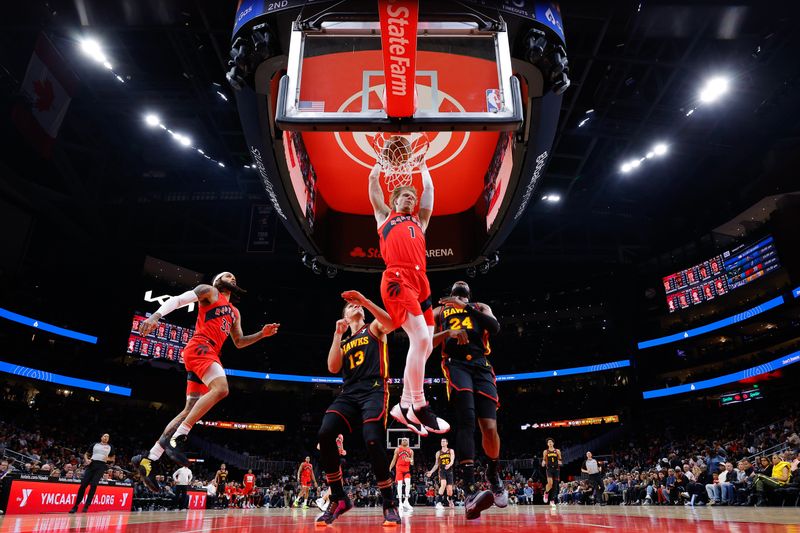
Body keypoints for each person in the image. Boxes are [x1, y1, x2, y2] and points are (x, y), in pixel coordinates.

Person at [134, 272, 279, 488]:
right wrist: (156, 315)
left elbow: (239, 342)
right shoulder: (209, 292)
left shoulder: (235, 312)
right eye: (227, 275)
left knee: (189, 409)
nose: (232, 277)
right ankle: (180, 437)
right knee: (221, 389)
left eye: (234, 277)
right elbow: (179, 299)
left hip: (206, 353)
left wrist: (261, 334)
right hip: (201, 346)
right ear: (217, 281)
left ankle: (149, 459)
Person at [368, 152, 448, 436]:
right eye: (405, 197)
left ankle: (401, 406)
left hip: (421, 281)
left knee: (425, 347)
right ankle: (419, 405)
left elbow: (430, 191)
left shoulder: (420, 222)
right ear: (394, 201)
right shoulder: (384, 217)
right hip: (397, 277)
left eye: (412, 198)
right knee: (422, 338)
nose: (411, 200)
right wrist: (382, 160)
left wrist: (423, 166)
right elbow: (373, 181)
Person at [315, 291, 401, 526]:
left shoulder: (373, 328)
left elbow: (392, 323)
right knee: (325, 433)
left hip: (374, 389)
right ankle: (339, 498)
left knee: (372, 439)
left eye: (357, 305)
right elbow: (333, 368)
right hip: (349, 393)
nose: (356, 307)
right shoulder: (343, 340)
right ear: (344, 315)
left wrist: (366, 301)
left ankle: (389, 502)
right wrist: (337, 334)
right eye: (351, 306)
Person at [433, 281, 506, 519]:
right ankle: (469, 491)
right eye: (458, 284)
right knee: (466, 421)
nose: (462, 283)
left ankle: (493, 473)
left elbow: (494, 328)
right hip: (455, 364)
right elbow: (424, 340)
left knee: (490, 428)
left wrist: (465, 308)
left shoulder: (480, 306)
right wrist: (447, 332)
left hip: (481, 365)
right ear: (452, 290)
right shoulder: (439, 310)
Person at [68, 433, 115, 513]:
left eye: (108, 437)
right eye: (105, 436)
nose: (106, 437)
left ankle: (86, 506)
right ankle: (75, 506)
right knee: (83, 485)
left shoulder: (110, 447)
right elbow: (86, 454)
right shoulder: (95, 444)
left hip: (101, 466)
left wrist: (108, 458)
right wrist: (87, 460)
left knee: (93, 485)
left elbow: (113, 458)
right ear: (101, 437)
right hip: (92, 464)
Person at [425, 438, 456, 509]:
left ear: (447, 443)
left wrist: (449, 464)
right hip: (442, 471)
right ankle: (438, 503)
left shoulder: (451, 451)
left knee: (449, 490)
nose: (442, 442)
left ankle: (450, 500)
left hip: (449, 471)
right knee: (443, 484)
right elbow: (436, 464)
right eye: (441, 441)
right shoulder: (438, 453)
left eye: (444, 441)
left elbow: (452, 460)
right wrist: (431, 471)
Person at [389, 437, 414, 513]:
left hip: (406, 469)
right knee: (399, 485)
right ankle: (400, 502)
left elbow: (412, 463)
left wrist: (410, 460)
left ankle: (406, 501)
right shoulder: (397, 449)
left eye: (406, 440)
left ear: (408, 442)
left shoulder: (411, 451)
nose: (404, 441)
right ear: (401, 441)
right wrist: (390, 467)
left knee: (408, 484)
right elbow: (394, 459)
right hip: (399, 468)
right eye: (403, 440)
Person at [542, 438, 562, 506]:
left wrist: (560, 462)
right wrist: (543, 463)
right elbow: (544, 459)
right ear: (547, 444)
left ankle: (552, 500)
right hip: (549, 469)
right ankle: (546, 493)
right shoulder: (545, 451)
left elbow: (560, 459)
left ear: (553, 443)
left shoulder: (557, 451)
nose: (550, 443)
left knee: (555, 486)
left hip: (556, 469)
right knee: (550, 484)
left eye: (551, 442)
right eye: (548, 442)